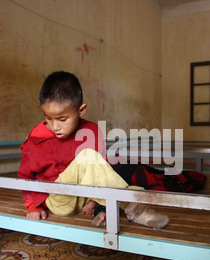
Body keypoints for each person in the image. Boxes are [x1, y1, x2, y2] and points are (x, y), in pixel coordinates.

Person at [17, 71, 169, 230]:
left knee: (116, 167)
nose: (55, 127)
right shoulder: (36, 139)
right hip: (59, 199)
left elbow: (100, 172)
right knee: (88, 156)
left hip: (85, 195)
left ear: (81, 110)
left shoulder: (92, 131)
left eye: (62, 119)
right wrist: (34, 206)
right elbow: (25, 176)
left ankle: (102, 208)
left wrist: (93, 201)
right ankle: (134, 206)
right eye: (48, 118)